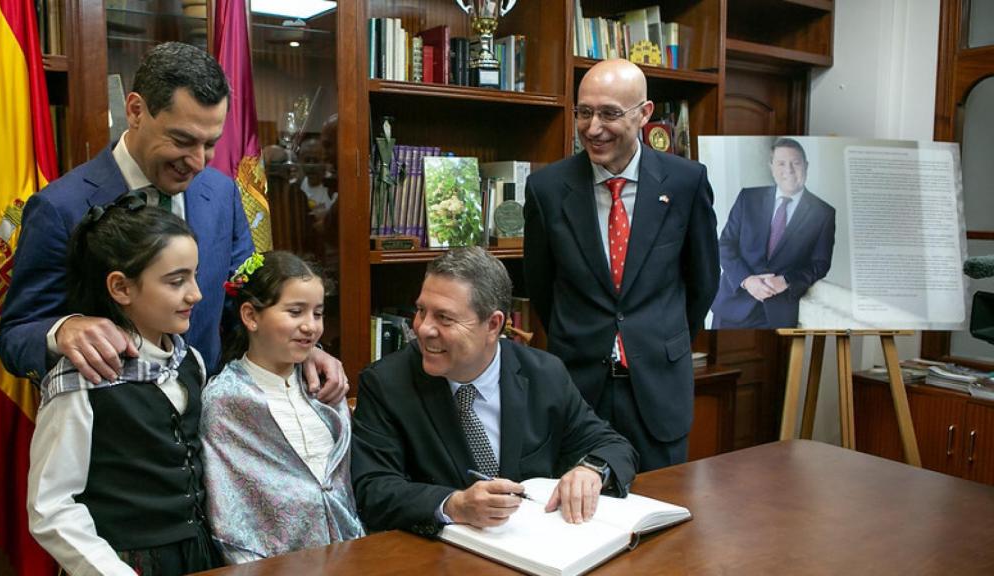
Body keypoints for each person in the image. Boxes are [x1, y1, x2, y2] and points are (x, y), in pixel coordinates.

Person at [0, 41, 347, 400]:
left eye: (210, 144)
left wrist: (296, 347)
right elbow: (15, 334)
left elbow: (246, 301)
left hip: (208, 424)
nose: (197, 161)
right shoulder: (59, 207)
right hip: (114, 433)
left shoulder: (222, 195)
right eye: (182, 140)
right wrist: (63, 330)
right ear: (136, 111)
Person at [351, 247, 637, 536]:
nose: (423, 329)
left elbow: (613, 446)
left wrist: (592, 470)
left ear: (493, 324)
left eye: (444, 318)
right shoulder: (386, 384)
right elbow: (373, 490)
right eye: (422, 311)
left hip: (538, 547)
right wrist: (453, 505)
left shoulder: (544, 374)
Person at [523, 58, 719, 473]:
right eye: (584, 112)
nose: (593, 128)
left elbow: (702, 281)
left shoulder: (686, 183)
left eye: (610, 113)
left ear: (645, 114)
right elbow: (541, 285)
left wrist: (659, 337)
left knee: (661, 519)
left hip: (658, 389)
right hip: (578, 389)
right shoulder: (546, 190)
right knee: (579, 519)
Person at [27, 196, 221, 575]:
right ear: (121, 287)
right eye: (176, 280)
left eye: (195, 276)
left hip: (198, 555)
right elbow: (51, 506)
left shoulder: (190, 362)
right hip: (124, 563)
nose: (196, 294)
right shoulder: (83, 383)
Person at [201, 251, 364, 563]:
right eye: (295, 312)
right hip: (273, 562)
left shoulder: (324, 384)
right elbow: (229, 504)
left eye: (317, 313)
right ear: (250, 316)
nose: (310, 326)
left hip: (347, 550)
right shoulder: (227, 399)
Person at [711, 137, 836, 328]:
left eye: (795, 163)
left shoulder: (823, 213)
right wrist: (747, 281)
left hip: (777, 314)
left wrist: (786, 281)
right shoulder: (748, 198)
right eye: (781, 163)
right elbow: (725, 246)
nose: (789, 170)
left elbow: (820, 264)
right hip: (732, 306)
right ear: (772, 166)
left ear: (806, 166)